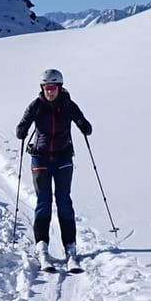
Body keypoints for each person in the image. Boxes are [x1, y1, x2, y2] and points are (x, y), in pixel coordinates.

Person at [16, 68, 92, 267]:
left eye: (53, 87)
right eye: (47, 87)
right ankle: (42, 247)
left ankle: (70, 248)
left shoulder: (68, 105)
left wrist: (84, 125)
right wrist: (22, 130)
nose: (50, 91)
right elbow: (21, 127)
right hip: (40, 160)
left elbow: (84, 124)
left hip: (63, 159)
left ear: (59, 87)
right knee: (44, 202)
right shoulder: (36, 106)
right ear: (42, 88)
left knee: (64, 201)